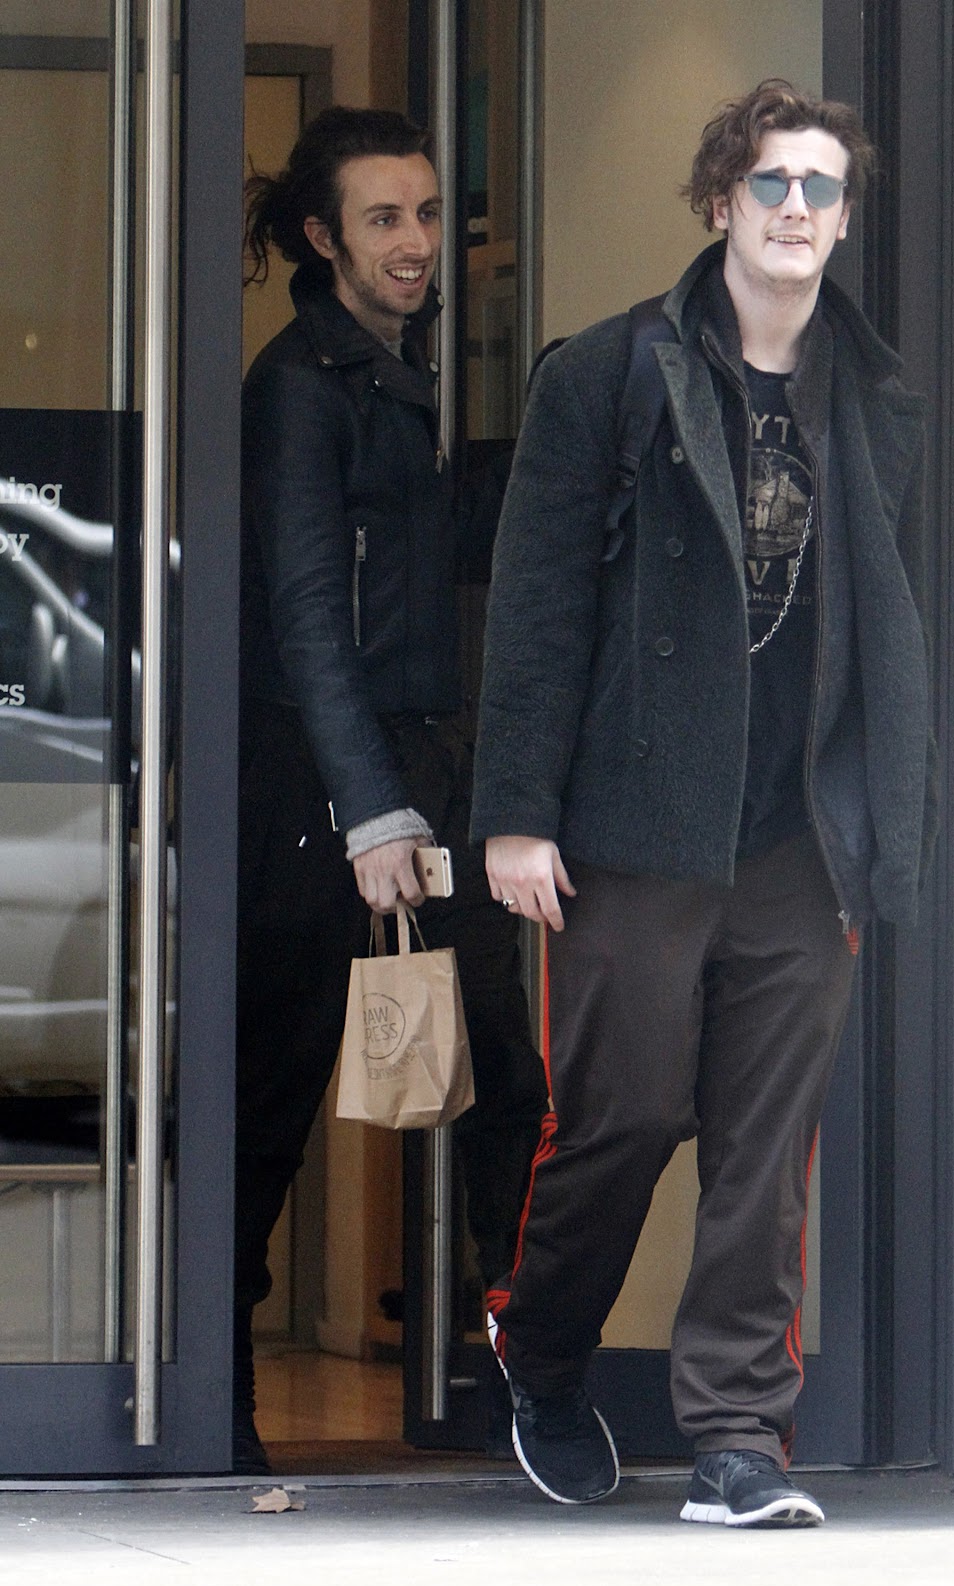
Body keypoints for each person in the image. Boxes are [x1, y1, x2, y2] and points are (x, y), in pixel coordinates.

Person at [470, 79, 936, 1526]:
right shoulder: (609, 373)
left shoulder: (874, 391)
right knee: (617, 1118)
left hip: (802, 833)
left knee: (763, 1143)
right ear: (720, 201)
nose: (799, 210)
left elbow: (883, 622)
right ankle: (540, 1357)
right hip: (632, 822)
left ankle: (739, 1437)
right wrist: (513, 813)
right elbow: (538, 605)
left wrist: (883, 824)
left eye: (823, 189)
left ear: (845, 219)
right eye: (774, 184)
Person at [235, 106, 548, 1472]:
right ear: (325, 235)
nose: (416, 243)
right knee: (275, 1087)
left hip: (427, 766)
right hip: (324, 781)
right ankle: (216, 1399)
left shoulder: (403, 374)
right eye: (384, 219)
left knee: (508, 1080)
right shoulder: (298, 383)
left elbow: (428, 577)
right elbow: (309, 612)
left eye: (426, 214)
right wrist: (373, 813)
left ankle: (522, 1367)